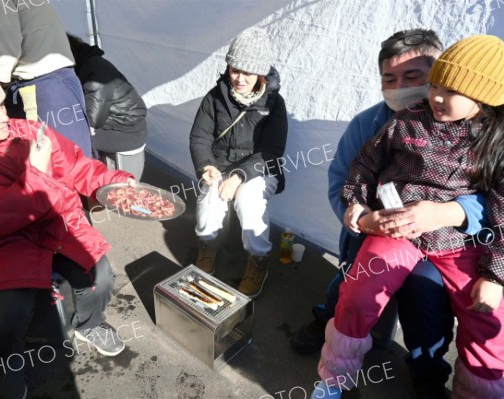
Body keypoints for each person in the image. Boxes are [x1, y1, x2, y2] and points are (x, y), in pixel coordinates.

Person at [292, 29, 486, 398]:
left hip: (447, 242)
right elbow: (342, 181)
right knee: (352, 279)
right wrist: (364, 219)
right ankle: (327, 321)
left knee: (427, 299)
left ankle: (428, 372)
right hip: (376, 235)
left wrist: (449, 212)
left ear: (440, 74)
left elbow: (493, 197)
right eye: (389, 79)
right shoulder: (369, 124)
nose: (400, 87)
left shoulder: (481, 131)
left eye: (414, 77)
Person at [0, 56, 134, 399]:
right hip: (4, 244)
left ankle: (90, 324)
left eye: (1, 105)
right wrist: (36, 175)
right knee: (8, 315)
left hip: (57, 226)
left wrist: (114, 186)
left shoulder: (27, 131)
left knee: (100, 275)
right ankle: (8, 361)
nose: (5, 116)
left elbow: (79, 168)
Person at [189, 27, 288, 298]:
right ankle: (207, 245)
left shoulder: (274, 104)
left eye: (247, 72)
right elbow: (199, 138)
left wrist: (239, 177)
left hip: (259, 170)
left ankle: (258, 260)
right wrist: (206, 166)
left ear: (260, 73)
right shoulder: (215, 96)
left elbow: (272, 151)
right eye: (235, 69)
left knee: (249, 201)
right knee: (210, 199)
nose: (239, 78)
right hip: (220, 165)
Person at [0, 0, 93, 157]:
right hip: (53, 81)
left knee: (65, 161)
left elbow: (6, 50)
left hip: (48, 86)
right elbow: (17, 36)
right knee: (67, 158)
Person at [66, 34, 148, 180]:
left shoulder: (94, 69)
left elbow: (92, 117)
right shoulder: (84, 65)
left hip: (122, 138)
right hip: (112, 132)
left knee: (122, 194)